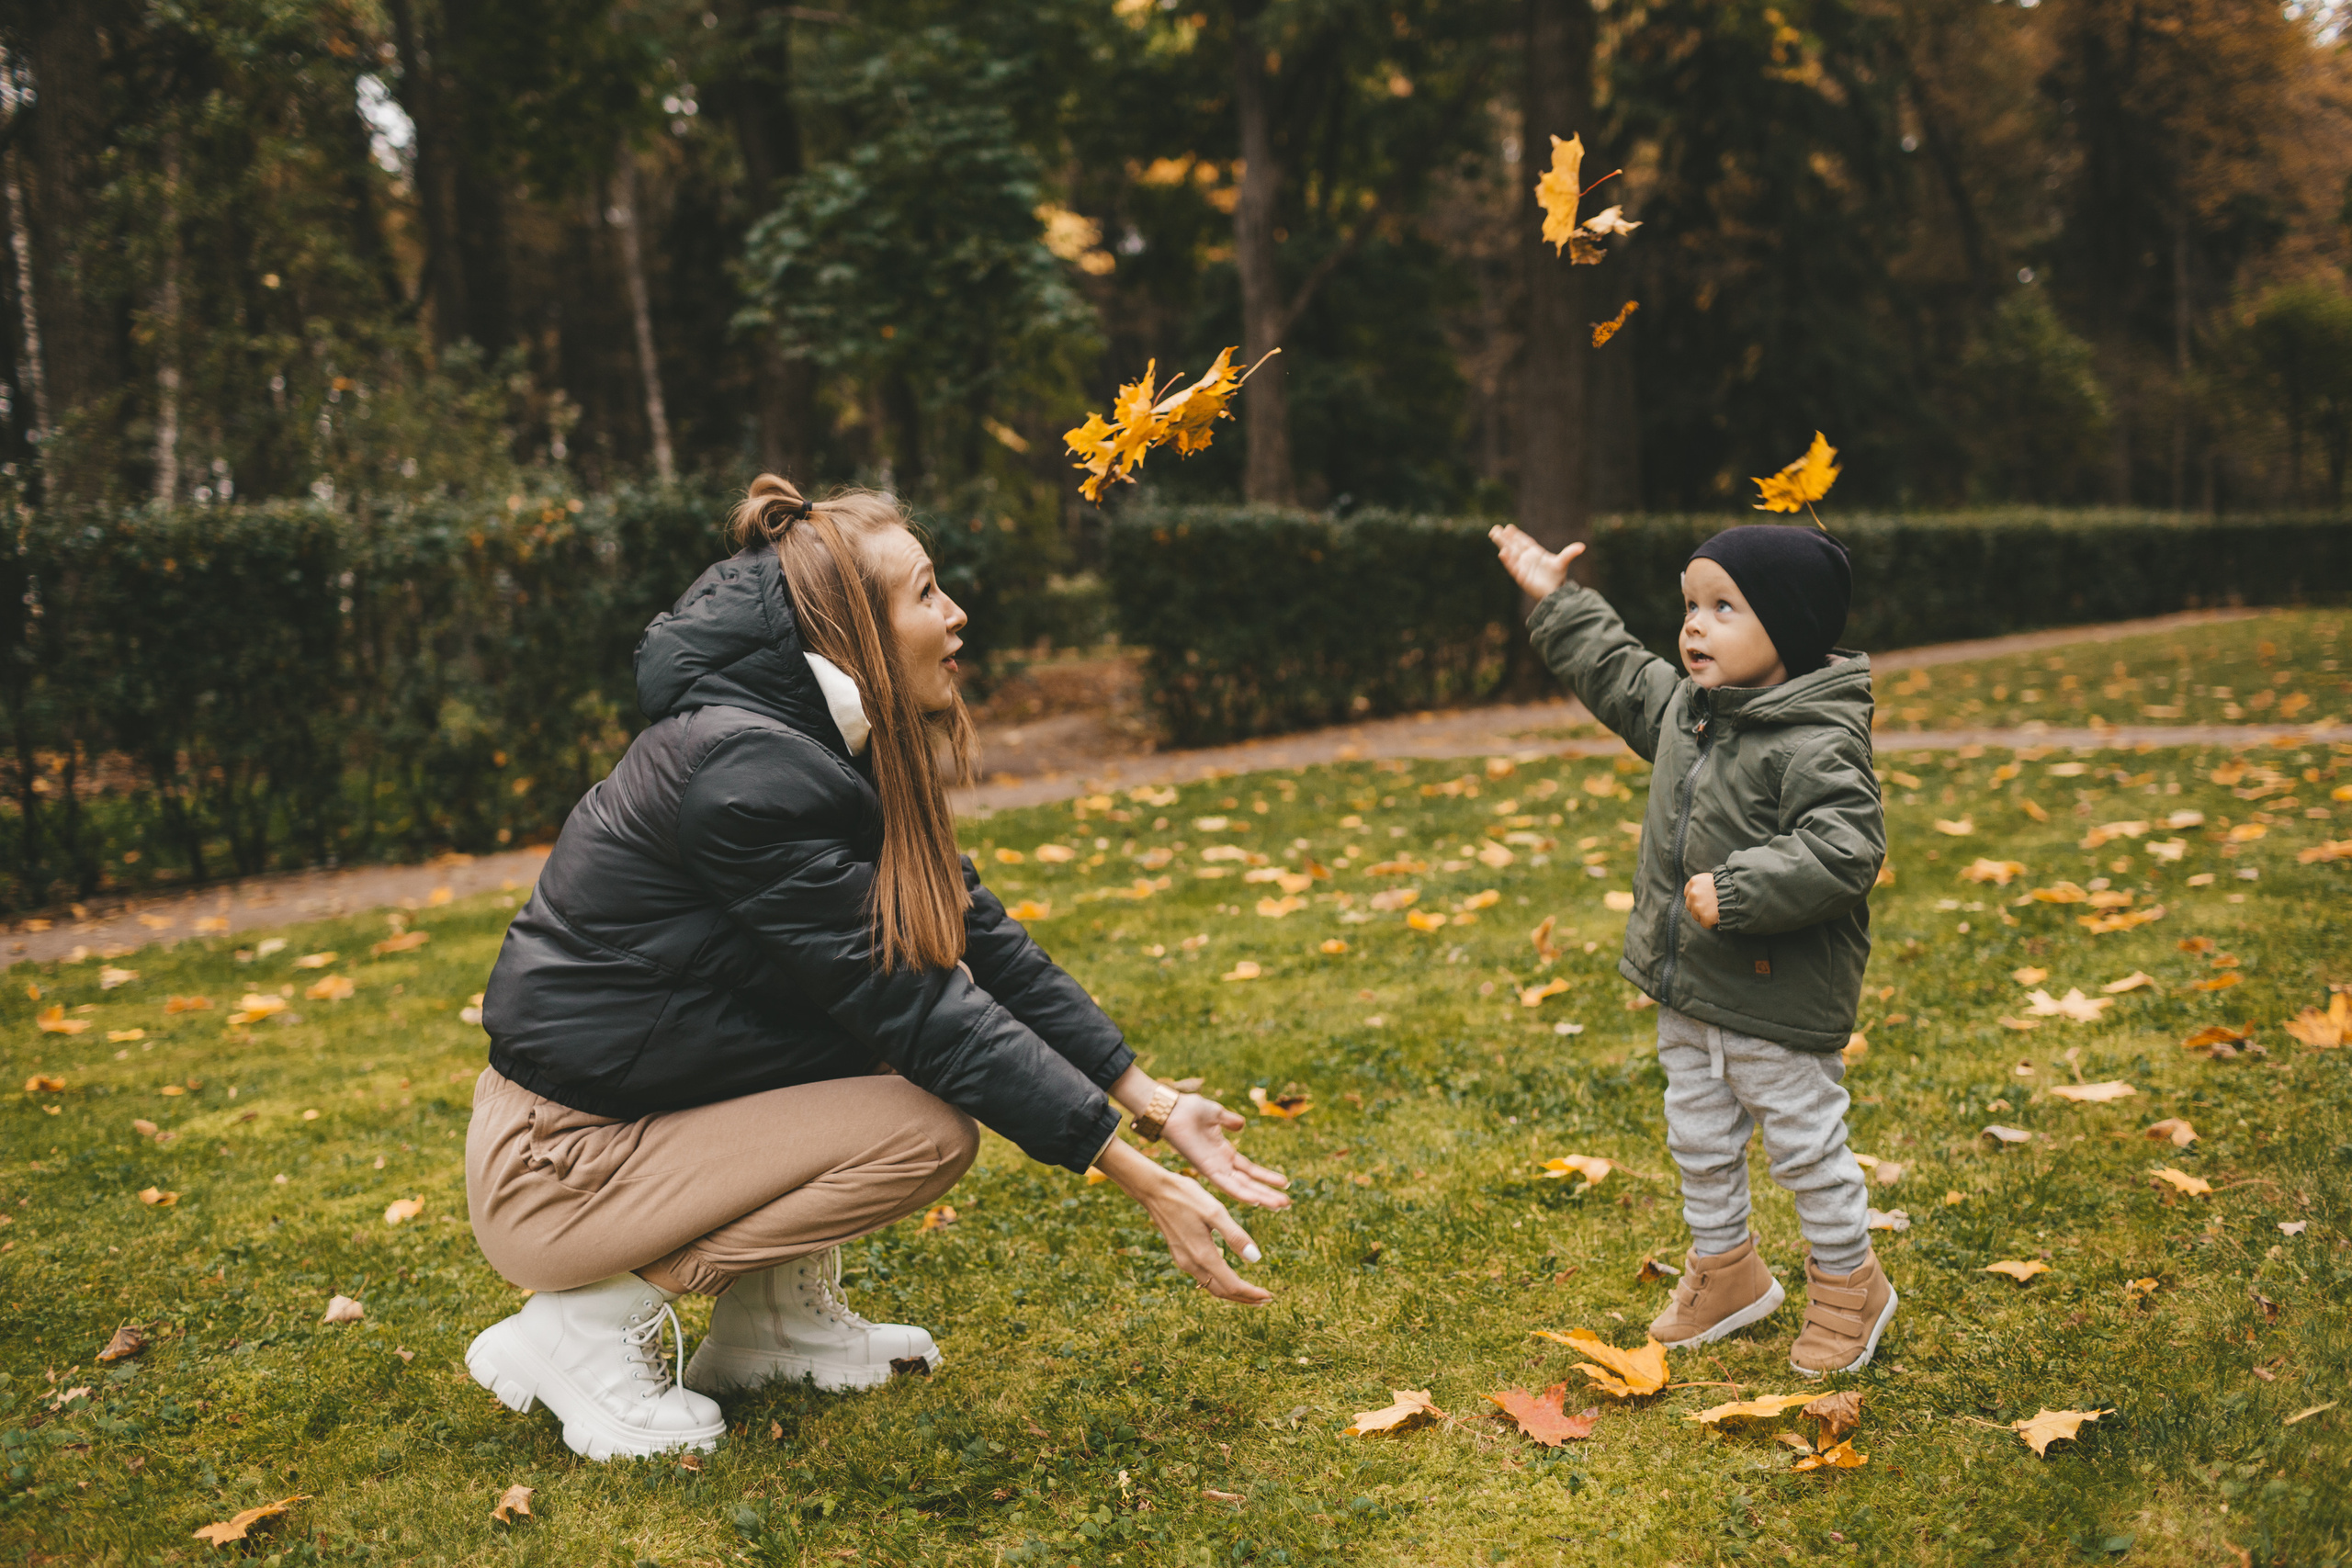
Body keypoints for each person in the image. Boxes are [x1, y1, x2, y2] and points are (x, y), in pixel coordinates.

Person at [460, 476, 1293, 1461]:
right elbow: (917, 1008)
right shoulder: (742, 777)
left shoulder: (812, 747)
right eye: (927, 594)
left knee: (881, 1060)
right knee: (922, 1128)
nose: (956, 615)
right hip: (562, 1169)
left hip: (629, 1131)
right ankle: (592, 1327)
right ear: (852, 630)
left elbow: (971, 935)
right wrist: (1134, 1173)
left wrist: (1150, 1099)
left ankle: (773, 1329)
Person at [1489, 521, 1894, 1377]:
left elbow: (1846, 849)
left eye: (1722, 607)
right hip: (1690, 993)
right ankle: (1727, 1270)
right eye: (1689, 605)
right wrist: (1556, 599)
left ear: (1786, 627)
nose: (1693, 627)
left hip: (1777, 1002)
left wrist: (1742, 888)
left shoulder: (1817, 737)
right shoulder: (1689, 709)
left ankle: (1851, 1284)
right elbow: (1616, 669)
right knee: (1698, 1136)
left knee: (1805, 1148)